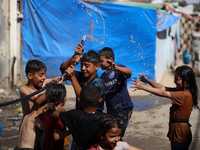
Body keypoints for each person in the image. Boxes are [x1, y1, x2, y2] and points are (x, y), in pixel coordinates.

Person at [130, 65, 199, 150]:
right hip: (178, 131)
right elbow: (163, 88)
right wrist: (148, 81)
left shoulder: (184, 95)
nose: (174, 81)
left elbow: (162, 93)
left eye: (177, 79)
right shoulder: (182, 91)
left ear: (186, 80)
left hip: (180, 133)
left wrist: (143, 87)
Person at [19, 59, 62, 150]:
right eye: (41, 75)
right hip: (29, 124)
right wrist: (52, 90)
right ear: (30, 75)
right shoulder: (24, 89)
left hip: (40, 124)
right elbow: (37, 101)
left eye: (44, 75)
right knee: (29, 146)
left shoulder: (42, 85)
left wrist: (55, 79)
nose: (44, 78)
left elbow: (49, 80)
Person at [53, 84, 106, 150]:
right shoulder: (105, 119)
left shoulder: (73, 115)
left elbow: (55, 114)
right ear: (100, 100)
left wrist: (60, 108)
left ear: (79, 100)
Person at [98, 47, 134, 137]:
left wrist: (117, 67)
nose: (99, 63)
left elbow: (129, 72)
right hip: (112, 110)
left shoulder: (119, 70)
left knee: (116, 134)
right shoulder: (103, 77)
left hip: (123, 107)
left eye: (101, 61)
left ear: (110, 60)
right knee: (109, 133)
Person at [60, 44, 106, 112]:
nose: (83, 68)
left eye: (86, 66)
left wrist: (73, 77)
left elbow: (84, 99)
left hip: (93, 119)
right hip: (81, 116)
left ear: (97, 66)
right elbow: (63, 69)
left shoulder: (99, 83)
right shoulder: (81, 76)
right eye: (81, 65)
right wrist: (74, 56)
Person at [42, 83, 70, 150]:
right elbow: (56, 136)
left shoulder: (47, 110)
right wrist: (71, 131)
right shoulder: (60, 115)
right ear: (64, 99)